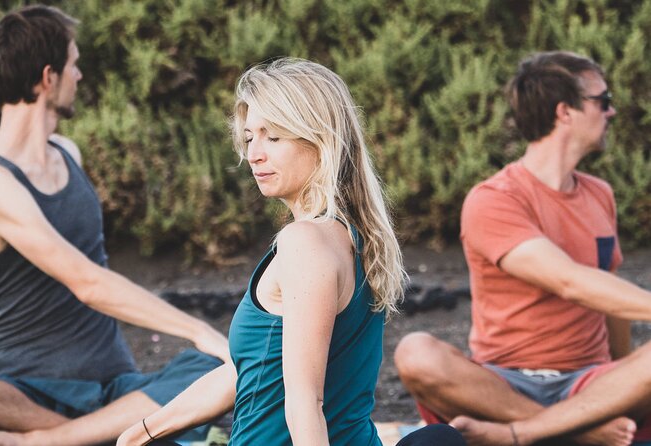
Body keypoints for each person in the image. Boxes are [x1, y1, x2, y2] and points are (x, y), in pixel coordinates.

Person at [117, 58, 466, 445]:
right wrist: (143, 432)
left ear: (319, 140)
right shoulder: (355, 236)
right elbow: (249, 370)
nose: (254, 154)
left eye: (274, 137)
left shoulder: (306, 243)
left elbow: (305, 401)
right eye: (250, 138)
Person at [0, 4, 229, 445]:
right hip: (27, 391)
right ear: (47, 77)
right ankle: (97, 436)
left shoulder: (68, 154)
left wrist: (208, 348)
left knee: (216, 369)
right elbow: (88, 282)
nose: (79, 76)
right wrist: (198, 329)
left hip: (116, 390)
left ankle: (51, 441)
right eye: (74, 65)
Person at [394, 50, 651, 446]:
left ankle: (531, 432)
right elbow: (570, 282)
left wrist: (623, 381)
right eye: (604, 101)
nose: (612, 112)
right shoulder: (494, 199)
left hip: (588, 381)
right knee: (415, 352)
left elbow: (608, 296)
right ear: (565, 111)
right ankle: (575, 432)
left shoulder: (600, 195)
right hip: (503, 386)